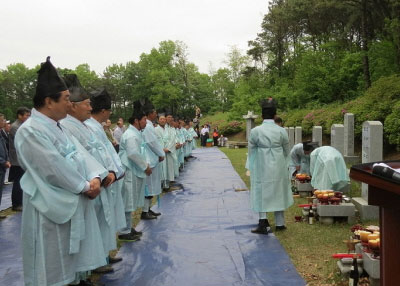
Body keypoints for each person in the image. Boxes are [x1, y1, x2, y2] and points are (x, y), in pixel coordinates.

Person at [14, 57, 108, 286]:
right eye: (66, 99)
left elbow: (81, 155)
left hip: (73, 198)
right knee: (49, 264)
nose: (70, 104)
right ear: (48, 101)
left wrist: (95, 176)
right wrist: (85, 186)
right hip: (49, 206)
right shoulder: (31, 131)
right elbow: (53, 168)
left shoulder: (57, 126)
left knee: (68, 260)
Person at [61, 74, 126, 277]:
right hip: (87, 186)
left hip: (100, 181)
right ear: (73, 105)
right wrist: (101, 175)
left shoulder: (85, 126)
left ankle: (95, 263)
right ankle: (83, 273)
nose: (91, 108)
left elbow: (102, 151)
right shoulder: (67, 127)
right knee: (84, 234)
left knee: (96, 229)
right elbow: (79, 157)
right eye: (87, 104)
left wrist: (113, 171)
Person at [85, 88, 128, 272]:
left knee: (105, 221)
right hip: (101, 181)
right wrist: (108, 173)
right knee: (99, 221)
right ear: (103, 111)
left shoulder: (97, 128)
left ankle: (103, 255)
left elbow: (107, 153)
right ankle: (97, 260)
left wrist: (116, 171)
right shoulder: (89, 127)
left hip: (109, 178)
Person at [246, 98, 293, 235]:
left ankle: (263, 222)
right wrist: (285, 164)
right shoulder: (281, 131)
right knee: (279, 190)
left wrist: (251, 165)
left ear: (261, 116)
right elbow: (286, 149)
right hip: (278, 162)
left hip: (262, 163)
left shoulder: (256, 131)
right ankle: (280, 223)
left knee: (261, 189)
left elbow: (251, 150)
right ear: (274, 115)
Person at [119, 102, 152, 239]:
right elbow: (133, 154)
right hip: (129, 171)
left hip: (133, 170)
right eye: (144, 119)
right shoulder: (131, 135)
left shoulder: (135, 133)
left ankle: (128, 227)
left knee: (130, 200)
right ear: (137, 121)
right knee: (128, 200)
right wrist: (145, 166)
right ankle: (124, 231)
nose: (146, 122)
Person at [141, 100, 165, 219]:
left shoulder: (149, 125)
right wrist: (161, 154)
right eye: (155, 112)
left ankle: (148, 209)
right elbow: (152, 143)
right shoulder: (148, 126)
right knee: (149, 187)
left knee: (151, 186)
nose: (156, 114)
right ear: (150, 113)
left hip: (152, 158)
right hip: (149, 159)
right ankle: (145, 211)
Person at [8, 107, 31, 211]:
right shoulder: (15, 127)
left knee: (22, 181)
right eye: (26, 115)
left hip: (22, 158)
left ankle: (20, 202)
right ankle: (16, 204)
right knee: (18, 182)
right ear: (19, 116)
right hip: (17, 160)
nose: (28, 117)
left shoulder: (22, 126)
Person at [155, 115, 176, 190]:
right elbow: (155, 141)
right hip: (161, 152)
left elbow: (172, 139)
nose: (162, 120)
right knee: (162, 167)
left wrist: (168, 148)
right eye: (161, 119)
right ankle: (161, 184)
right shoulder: (155, 130)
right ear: (158, 120)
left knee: (168, 167)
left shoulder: (169, 130)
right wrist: (161, 149)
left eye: (164, 119)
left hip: (168, 151)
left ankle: (167, 184)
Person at [0, 113, 10, 219]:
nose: (4, 122)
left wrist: (6, 159)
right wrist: (3, 161)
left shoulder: (1, 133)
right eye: (2, 120)